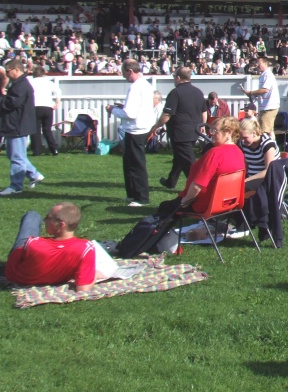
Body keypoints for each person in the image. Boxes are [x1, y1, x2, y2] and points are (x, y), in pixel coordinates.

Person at [4, 203, 95, 291]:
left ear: (61, 225)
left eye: (49, 218)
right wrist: (95, 274)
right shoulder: (85, 248)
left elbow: (20, 255)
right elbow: (83, 289)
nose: (45, 220)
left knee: (32, 216)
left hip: (17, 276)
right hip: (53, 278)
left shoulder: (34, 244)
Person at [107, 59, 156, 207]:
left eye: (124, 73)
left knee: (136, 164)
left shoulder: (135, 87)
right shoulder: (146, 85)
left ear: (130, 71)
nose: (123, 77)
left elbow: (129, 113)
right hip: (141, 128)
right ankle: (132, 194)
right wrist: (123, 107)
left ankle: (141, 197)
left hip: (135, 130)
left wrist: (113, 110)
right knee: (129, 163)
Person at [173, 116, 245, 212]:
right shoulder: (239, 152)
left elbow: (198, 185)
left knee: (164, 207)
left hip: (205, 203)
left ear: (229, 132)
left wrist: (184, 201)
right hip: (228, 202)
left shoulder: (215, 153)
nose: (211, 134)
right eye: (211, 130)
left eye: (215, 131)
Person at [152, 67, 207, 190]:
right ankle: (170, 182)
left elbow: (167, 114)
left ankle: (197, 188)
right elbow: (204, 111)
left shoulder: (175, 93)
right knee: (179, 158)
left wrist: (156, 126)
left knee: (189, 162)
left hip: (180, 133)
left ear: (178, 77)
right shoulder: (198, 92)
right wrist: (202, 125)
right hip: (194, 131)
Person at [0, 59, 41, 196]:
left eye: (8, 71)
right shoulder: (19, 84)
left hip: (17, 125)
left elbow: (11, 103)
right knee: (13, 154)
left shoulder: (21, 85)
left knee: (17, 157)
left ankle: (16, 186)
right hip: (16, 124)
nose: (7, 74)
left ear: (16, 69)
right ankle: (34, 174)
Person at [237, 116, 278, 193]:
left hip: (269, 178)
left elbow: (268, 170)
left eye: (245, 137)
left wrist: (247, 180)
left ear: (254, 133)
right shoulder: (243, 144)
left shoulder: (267, 144)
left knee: (241, 187)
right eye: (241, 137)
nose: (242, 141)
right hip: (251, 177)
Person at [243, 55, 279, 135]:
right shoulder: (263, 75)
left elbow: (265, 90)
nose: (257, 65)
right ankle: (273, 143)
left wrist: (251, 93)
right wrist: (251, 95)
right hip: (266, 106)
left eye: (259, 63)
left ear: (265, 64)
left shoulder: (267, 75)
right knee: (270, 131)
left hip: (269, 107)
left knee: (264, 131)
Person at [28, 65, 59, 156]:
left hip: (35, 107)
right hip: (48, 107)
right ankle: (54, 149)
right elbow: (58, 91)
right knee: (47, 130)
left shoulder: (30, 82)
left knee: (35, 130)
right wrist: (57, 102)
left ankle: (36, 151)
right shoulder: (49, 82)